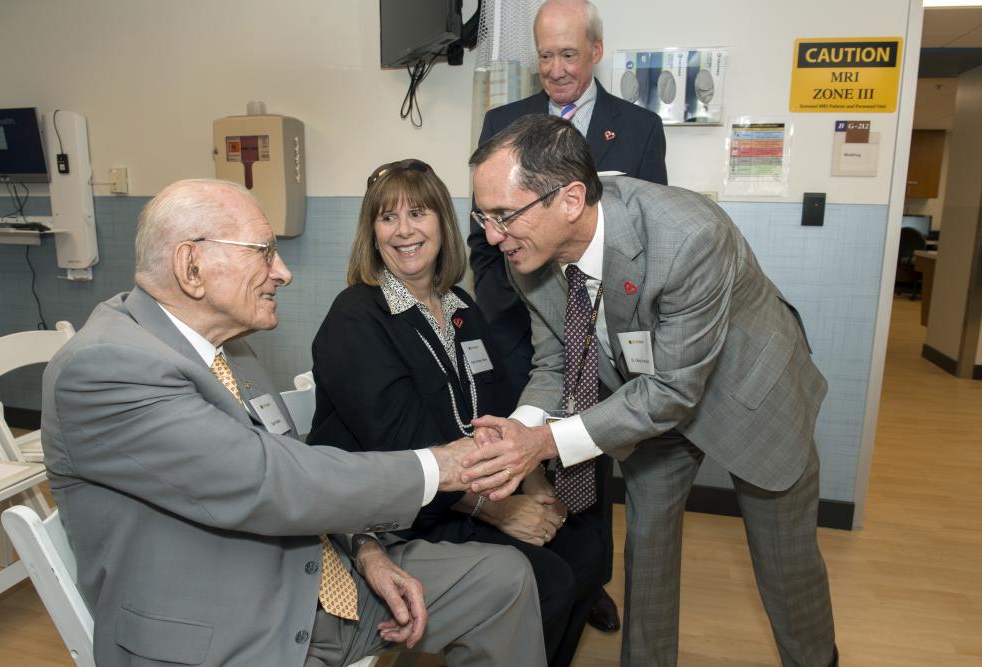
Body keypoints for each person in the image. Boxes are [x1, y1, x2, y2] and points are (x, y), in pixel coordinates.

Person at [40, 178, 546, 667]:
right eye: (263, 252)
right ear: (191, 265)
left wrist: (366, 549)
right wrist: (445, 465)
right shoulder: (106, 368)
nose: (282, 272)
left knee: (502, 579)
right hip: (231, 631)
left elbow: (297, 467)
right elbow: (270, 480)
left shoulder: (231, 349)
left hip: (320, 578)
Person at [462, 115, 839, 667]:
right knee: (649, 554)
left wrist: (542, 445)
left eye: (503, 215)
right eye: (483, 216)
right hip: (645, 401)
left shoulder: (689, 236)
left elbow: (673, 391)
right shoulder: (528, 250)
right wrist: (523, 427)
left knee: (787, 564)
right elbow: (557, 361)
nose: (492, 237)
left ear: (569, 200)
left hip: (751, 393)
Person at [307, 159, 603, 666]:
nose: (404, 230)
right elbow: (401, 443)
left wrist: (531, 481)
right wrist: (499, 509)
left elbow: (499, 408)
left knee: (586, 553)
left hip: (467, 489)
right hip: (398, 512)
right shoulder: (358, 315)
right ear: (371, 232)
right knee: (548, 581)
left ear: (443, 223)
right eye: (387, 218)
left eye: (418, 213)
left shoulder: (459, 306)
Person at [466, 0, 668, 632]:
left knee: (590, 450)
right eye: (545, 56)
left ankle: (591, 578)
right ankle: (542, 570)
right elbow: (485, 238)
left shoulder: (636, 128)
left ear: (596, 53)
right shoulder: (504, 122)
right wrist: (519, 311)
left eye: (568, 55)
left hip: (604, 330)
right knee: (530, 450)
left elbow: (650, 234)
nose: (555, 70)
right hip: (528, 329)